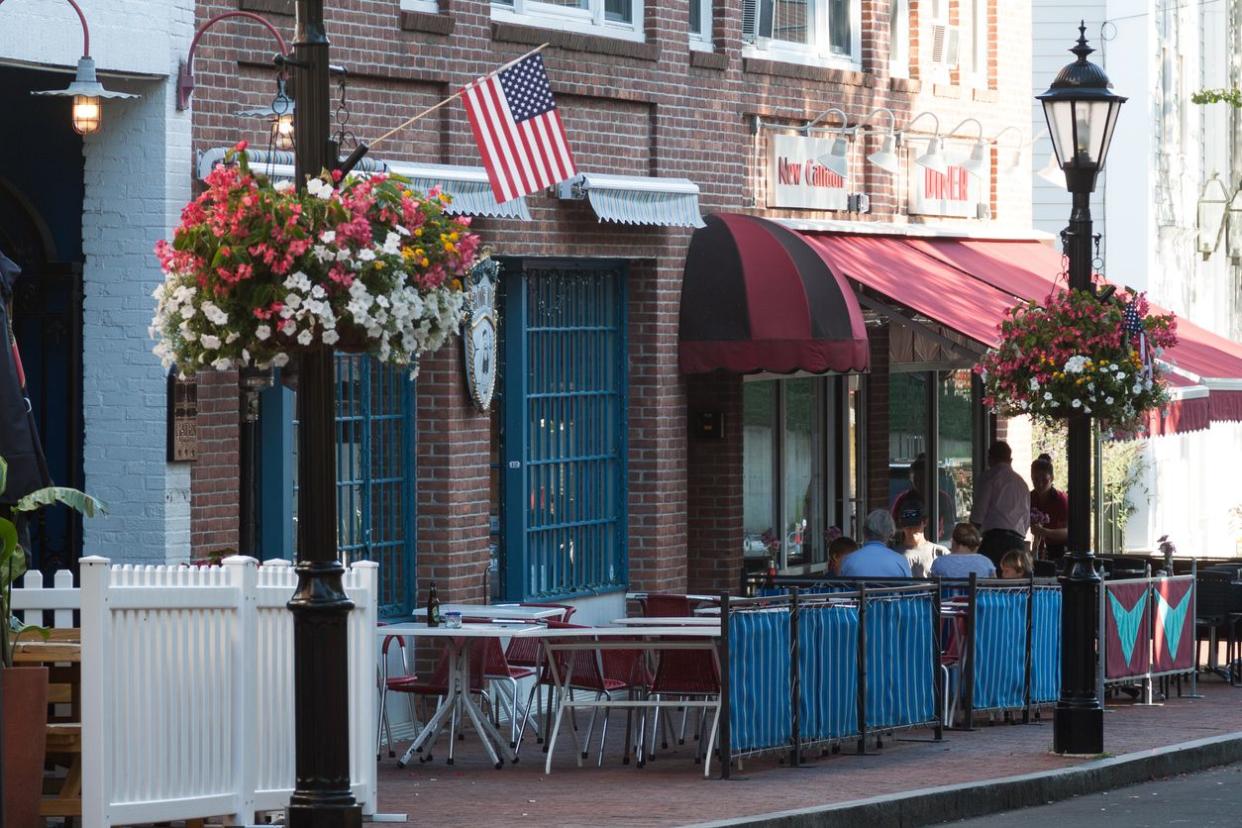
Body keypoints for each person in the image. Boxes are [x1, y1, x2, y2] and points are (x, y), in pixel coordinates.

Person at [970, 441, 1031, 565]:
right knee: (1014, 581)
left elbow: (978, 514)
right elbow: (1026, 519)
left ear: (990, 459)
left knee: (990, 580)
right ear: (1010, 459)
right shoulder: (1022, 483)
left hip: (994, 541)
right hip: (1017, 541)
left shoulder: (989, 478)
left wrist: (972, 537)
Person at [891, 453, 956, 540]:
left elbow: (949, 527)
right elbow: (894, 526)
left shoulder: (943, 498)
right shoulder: (903, 500)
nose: (919, 483)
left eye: (922, 479)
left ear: (930, 478)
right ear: (911, 479)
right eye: (916, 479)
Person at [839, 509, 912, 578]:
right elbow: (910, 590)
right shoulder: (900, 561)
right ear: (890, 534)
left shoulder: (848, 560)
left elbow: (841, 590)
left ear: (864, 532)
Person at [894, 501, 949, 578]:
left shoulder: (940, 553)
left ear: (925, 522)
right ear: (901, 525)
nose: (912, 529)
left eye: (916, 525)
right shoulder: (893, 555)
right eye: (908, 525)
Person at [1029, 453, 1068, 560]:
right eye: (1035, 480)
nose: (1040, 484)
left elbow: (1069, 532)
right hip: (1040, 550)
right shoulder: (1030, 498)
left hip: (1062, 551)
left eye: (1044, 480)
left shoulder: (1061, 500)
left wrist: (1043, 531)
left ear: (1052, 478)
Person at [930, 523, 997, 579]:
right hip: (978, 595)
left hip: (949, 595)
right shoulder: (986, 562)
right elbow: (993, 586)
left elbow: (933, 587)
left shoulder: (939, 562)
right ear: (976, 544)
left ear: (953, 541)